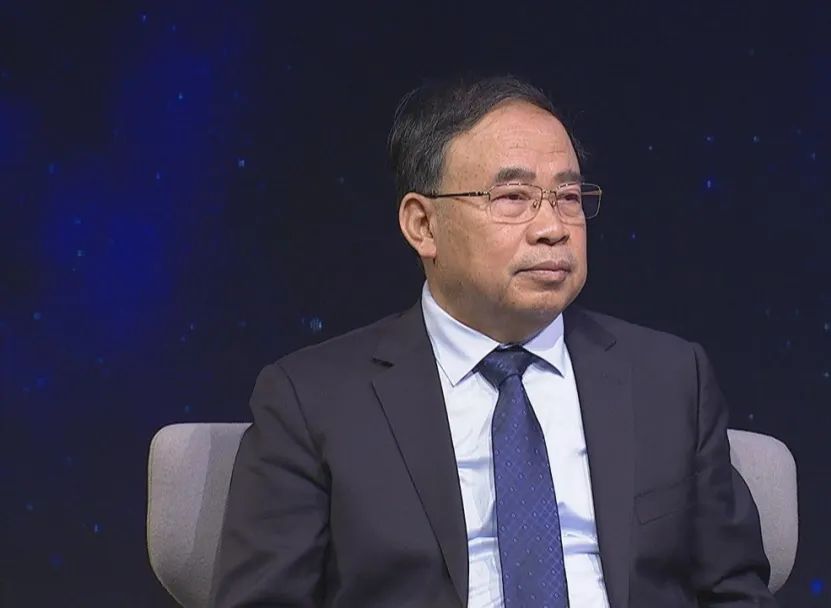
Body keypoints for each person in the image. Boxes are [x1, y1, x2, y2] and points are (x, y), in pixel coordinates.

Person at [210, 75, 777, 607]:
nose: (553, 228)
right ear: (423, 225)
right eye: (513, 198)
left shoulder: (670, 379)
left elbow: (734, 590)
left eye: (569, 197)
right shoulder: (312, 400)